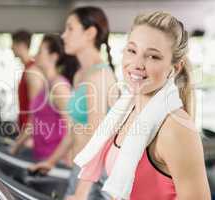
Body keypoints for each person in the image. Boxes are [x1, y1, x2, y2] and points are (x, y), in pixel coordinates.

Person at [68, 11, 211, 200]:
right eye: (132, 50)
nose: (137, 64)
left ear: (174, 68)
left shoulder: (176, 128)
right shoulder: (126, 111)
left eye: (153, 56)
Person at [29, 6, 118, 199]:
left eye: (70, 29)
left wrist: (80, 194)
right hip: (80, 169)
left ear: (90, 33)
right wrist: (51, 162)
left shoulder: (99, 76)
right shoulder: (80, 75)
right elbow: (76, 129)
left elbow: (98, 140)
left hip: (96, 177)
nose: (63, 35)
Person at [10, 34, 79, 161]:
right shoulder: (45, 85)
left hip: (54, 162)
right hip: (40, 156)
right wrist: (14, 148)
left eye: (40, 51)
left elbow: (72, 129)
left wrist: (52, 163)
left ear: (53, 57)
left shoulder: (59, 87)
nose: (36, 55)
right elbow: (33, 122)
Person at [11, 30, 44, 131]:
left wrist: (24, 137)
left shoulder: (32, 71)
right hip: (25, 130)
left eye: (13, 44)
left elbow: (36, 110)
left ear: (21, 45)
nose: (11, 47)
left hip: (30, 135)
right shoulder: (27, 69)